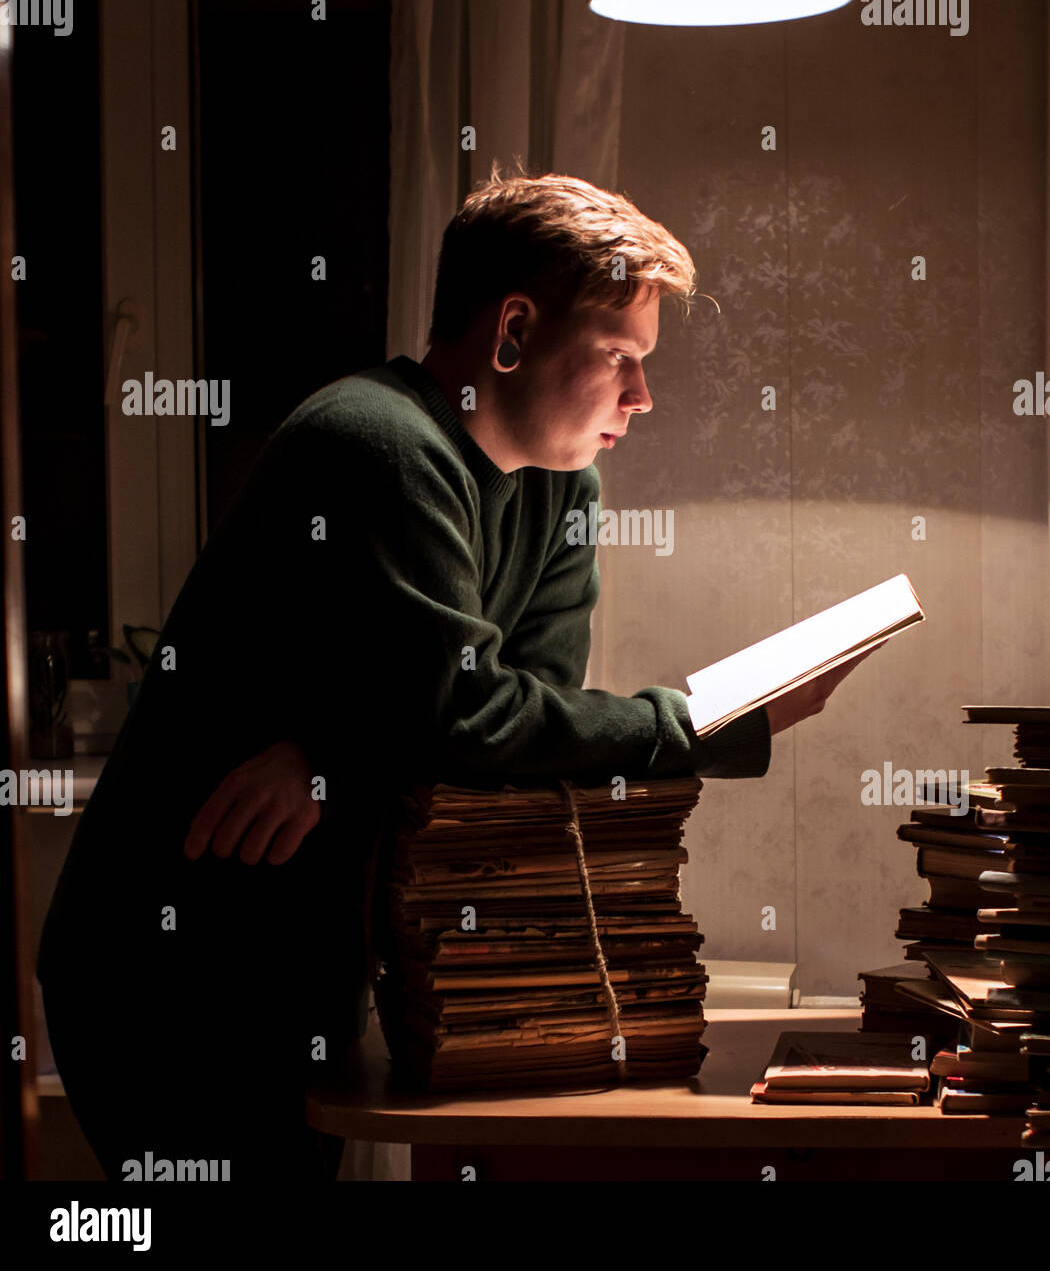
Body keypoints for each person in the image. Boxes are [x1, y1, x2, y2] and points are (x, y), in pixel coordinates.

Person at [37, 168, 869, 1182]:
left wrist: (341, 753)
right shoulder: (379, 441)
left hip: (299, 954)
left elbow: (517, 734)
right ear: (513, 329)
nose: (642, 397)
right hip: (167, 966)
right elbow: (472, 718)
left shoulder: (563, 487)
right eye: (617, 357)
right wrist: (687, 722)